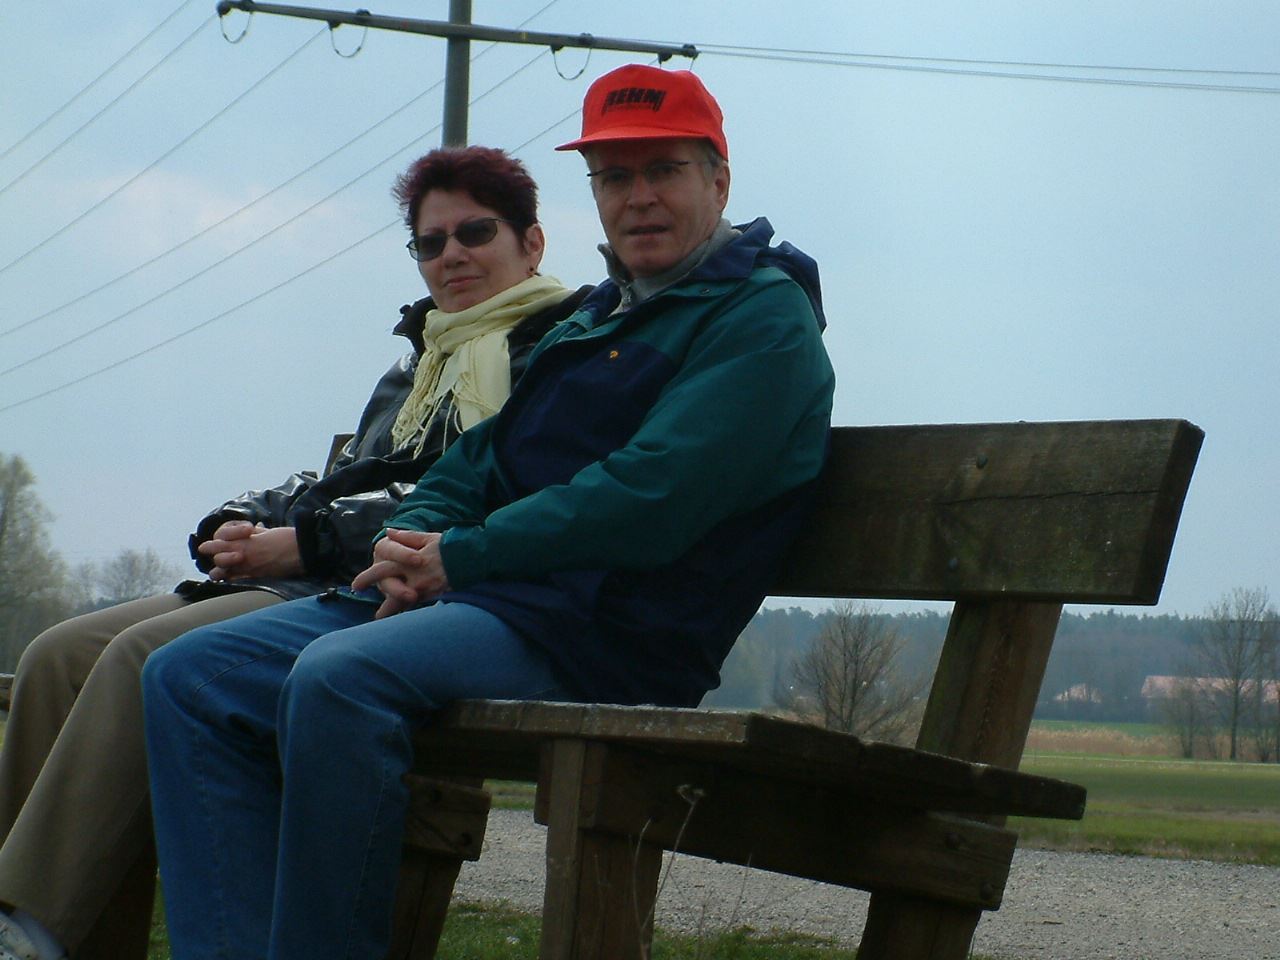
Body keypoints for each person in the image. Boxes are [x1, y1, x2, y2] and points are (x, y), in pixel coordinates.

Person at [142, 63, 836, 960]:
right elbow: (479, 459)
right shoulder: (600, 317)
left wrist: (460, 556)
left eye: (663, 170)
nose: (638, 198)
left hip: (602, 633)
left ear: (719, 181)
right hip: (493, 599)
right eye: (614, 177)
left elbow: (649, 497)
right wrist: (409, 543)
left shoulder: (762, 319)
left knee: (338, 679)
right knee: (188, 677)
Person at [0, 146, 587, 960]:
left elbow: (467, 497)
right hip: (316, 572)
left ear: (532, 242)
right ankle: (37, 928)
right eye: (430, 242)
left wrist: (303, 542)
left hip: (381, 594)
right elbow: (344, 476)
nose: (451, 255)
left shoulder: (553, 352)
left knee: (143, 660)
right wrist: (242, 520)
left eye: (475, 233)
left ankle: (29, 927)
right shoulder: (422, 360)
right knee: (56, 657)